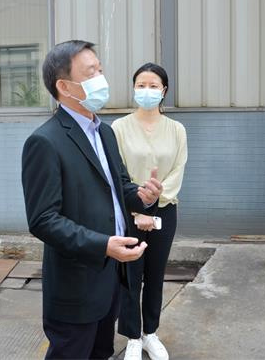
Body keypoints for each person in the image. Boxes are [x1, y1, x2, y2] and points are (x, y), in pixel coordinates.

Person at [21, 40, 164, 360]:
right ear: (64, 86)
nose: (101, 79)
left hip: (110, 278)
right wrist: (102, 245)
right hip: (75, 286)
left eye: (100, 70)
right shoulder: (45, 141)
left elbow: (119, 187)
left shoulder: (105, 133)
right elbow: (43, 219)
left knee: (101, 352)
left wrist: (143, 196)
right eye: (90, 73)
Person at [112, 63, 187, 360]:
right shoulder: (119, 128)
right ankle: (132, 336)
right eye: (141, 85)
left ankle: (150, 334)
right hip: (130, 213)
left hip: (164, 212)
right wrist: (138, 208)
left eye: (153, 86)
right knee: (131, 275)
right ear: (133, 89)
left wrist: (153, 205)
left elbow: (178, 170)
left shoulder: (177, 129)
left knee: (155, 275)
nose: (147, 90)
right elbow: (118, 173)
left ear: (164, 91)